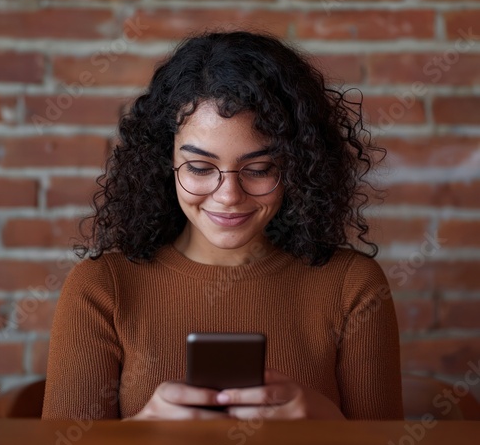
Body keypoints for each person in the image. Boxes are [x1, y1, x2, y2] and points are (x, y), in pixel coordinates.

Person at [42, 30, 403, 421]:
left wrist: (330, 426)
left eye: (260, 169)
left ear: (297, 167)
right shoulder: (102, 288)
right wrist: (140, 434)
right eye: (200, 167)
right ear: (165, 161)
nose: (228, 194)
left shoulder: (352, 285)